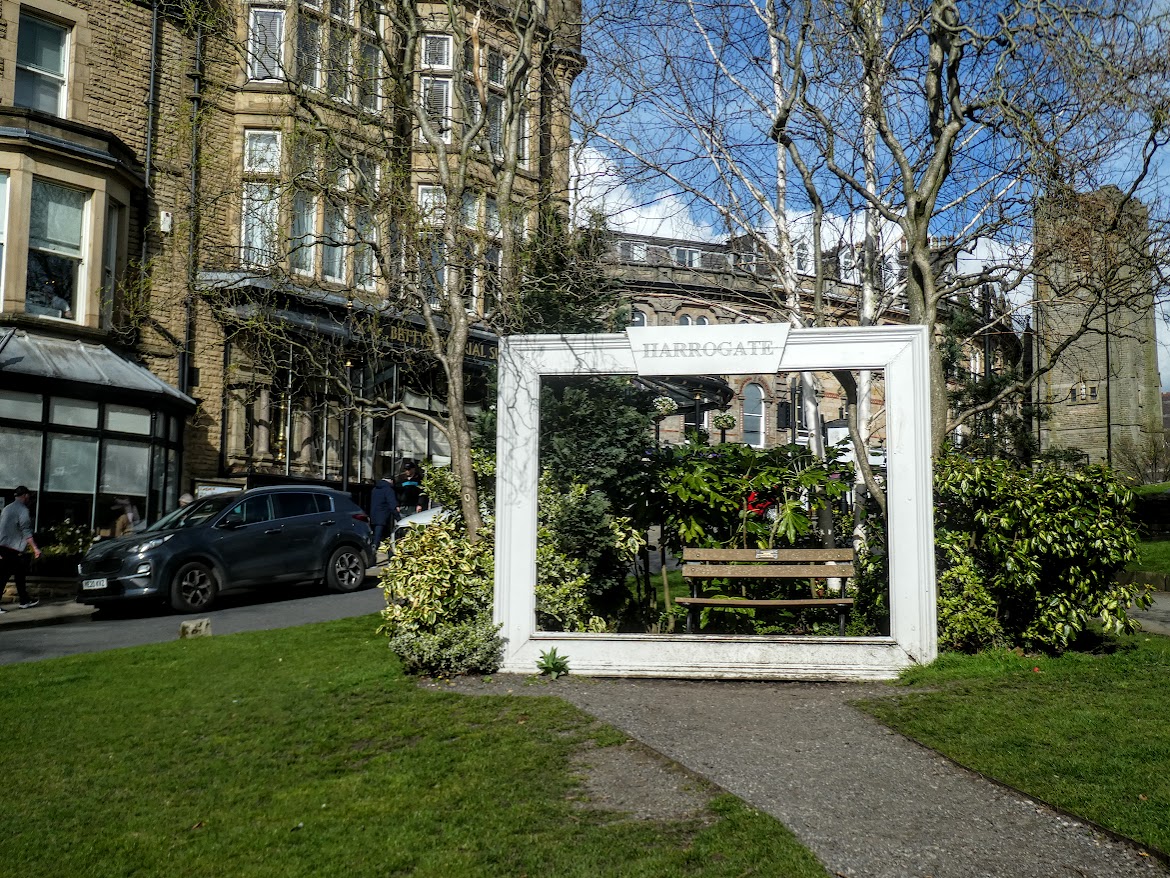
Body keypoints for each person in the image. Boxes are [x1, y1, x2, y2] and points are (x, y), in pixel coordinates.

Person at [0, 486, 41, 612]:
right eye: (28, 496)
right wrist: (35, 548)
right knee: (4, 576)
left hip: (3, 546)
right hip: (12, 548)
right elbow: (26, 531)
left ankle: (25, 600)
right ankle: (24, 600)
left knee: (19, 574)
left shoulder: (7, 508)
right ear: (25, 496)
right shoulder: (23, 510)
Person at [369, 475, 399, 560]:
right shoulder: (389, 490)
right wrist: (398, 518)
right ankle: (376, 557)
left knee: (380, 537)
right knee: (383, 539)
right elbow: (392, 505)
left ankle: (389, 555)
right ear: (391, 481)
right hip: (384, 518)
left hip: (374, 517)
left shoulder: (375, 489)